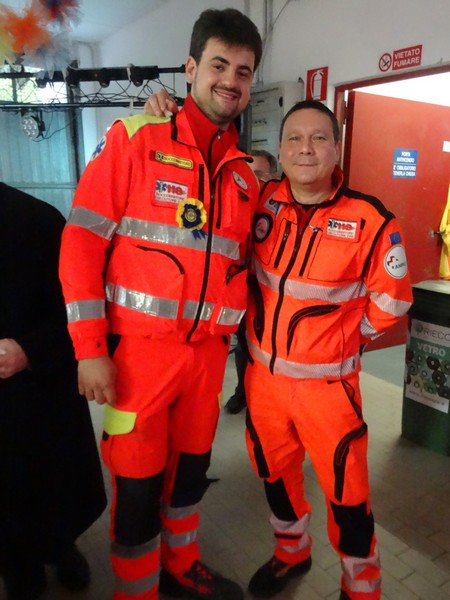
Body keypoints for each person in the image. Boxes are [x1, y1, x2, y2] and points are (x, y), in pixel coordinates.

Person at [59, 8, 262, 600]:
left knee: (191, 474)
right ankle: (137, 590)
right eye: (219, 65)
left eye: (243, 71)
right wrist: (89, 350)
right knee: (138, 486)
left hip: (207, 362)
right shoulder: (134, 139)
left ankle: (180, 565)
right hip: (138, 360)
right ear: (190, 68)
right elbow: (81, 244)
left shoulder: (245, 178)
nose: (230, 81)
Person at [244, 100, 413, 600]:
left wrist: (348, 337)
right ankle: (291, 553)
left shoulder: (370, 219)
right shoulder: (260, 203)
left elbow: (393, 301)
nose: (306, 149)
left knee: (348, 496)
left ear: (336, 149)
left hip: (329, 390)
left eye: (319, 138)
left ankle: (361, 587)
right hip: (263, 384)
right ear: (279, 149)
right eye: (294, 138)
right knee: (275, 477)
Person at [0, 182, 107, 600]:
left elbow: (79, 308)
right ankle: (18, 567)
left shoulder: (37, 220)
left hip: (39, 387)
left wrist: (28, 351)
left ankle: (61, 547)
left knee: (54, 483)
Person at [224, 149, 279, 415]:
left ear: (274, 177)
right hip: (240, 289)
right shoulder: (235, 202)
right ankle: (242, 392)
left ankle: (267, 397)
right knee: (243, 345)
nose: (253, 182)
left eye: (259, 175)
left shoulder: (282, 209)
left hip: (269, 294)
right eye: (248, 175)